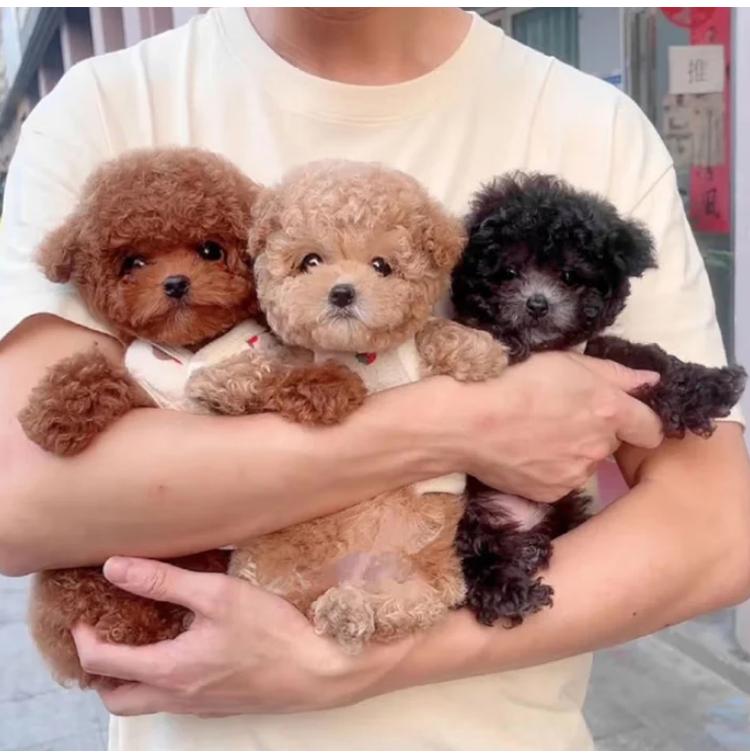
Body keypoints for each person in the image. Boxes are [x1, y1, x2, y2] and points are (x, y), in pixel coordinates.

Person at [0, 7, 748, 751]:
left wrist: (363, 662)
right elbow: (20, 499)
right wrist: (456, 427)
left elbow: (717, 528)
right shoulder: (105, 103)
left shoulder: (593, 125)